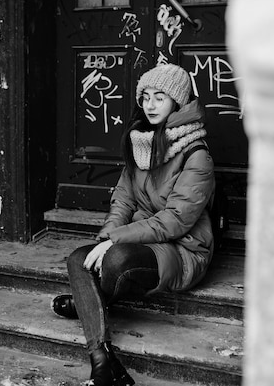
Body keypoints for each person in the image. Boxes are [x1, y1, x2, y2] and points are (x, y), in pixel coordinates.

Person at [51, 63, 216, 386]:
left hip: (181, 249)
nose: (150, 105)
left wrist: (114, 241)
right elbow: (123, 200)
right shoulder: (141, 143)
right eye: (146, 97)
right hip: (140, 238)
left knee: (117, 260)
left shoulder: (197, 155)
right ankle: (102, 359)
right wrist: (105, 236)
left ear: (177, 102)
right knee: (78, 259)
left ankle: (89, 303)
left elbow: (175, 221)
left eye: (160, 98)